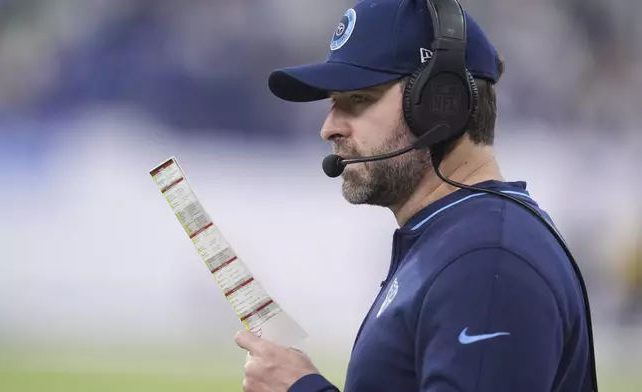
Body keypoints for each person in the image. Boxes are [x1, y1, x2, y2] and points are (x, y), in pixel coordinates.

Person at [234, 0, 595, 391]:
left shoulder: (486, 258)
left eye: (359, 99)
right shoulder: (458, 240)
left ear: (442, 103)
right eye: (333, 102)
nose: (329, 128)